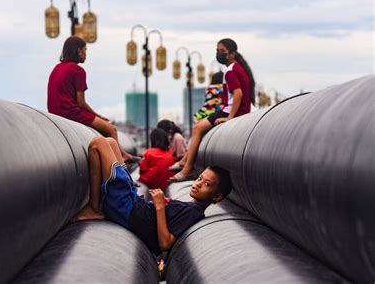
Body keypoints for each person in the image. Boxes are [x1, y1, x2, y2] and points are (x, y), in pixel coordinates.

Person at [74, 136, 232, 255]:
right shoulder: (191, 207)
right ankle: (102, 199)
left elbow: (165, 243)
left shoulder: (194, 212)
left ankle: (94, 207)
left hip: (128, 211)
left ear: (217, 197)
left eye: (207, 184)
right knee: (111, 142)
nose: (198, 183)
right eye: (199, 178)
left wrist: (160, 206)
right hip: (133, 204)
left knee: (98, 143)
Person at [169, 38, 255, 182]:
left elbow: (238, 93)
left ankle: (187, 168)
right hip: (234, 110)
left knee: (197, 129)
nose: (219, 54)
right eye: (217, 51)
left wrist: (230, 117)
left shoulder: (230, 71)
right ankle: (184, 161)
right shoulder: (238, 68)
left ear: (232, 54)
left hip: (230, 111)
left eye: (222, 51)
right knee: (201, 128)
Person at [47, 36, 134, 162]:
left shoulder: (57, 68)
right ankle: (122, 159)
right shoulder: (78, 70)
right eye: (85, 50)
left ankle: (123, 154)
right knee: (111, 129)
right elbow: (80, 102)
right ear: (79, 51)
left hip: (55, 113)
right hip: (70, 112)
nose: (86, 54)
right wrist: (97, 115)